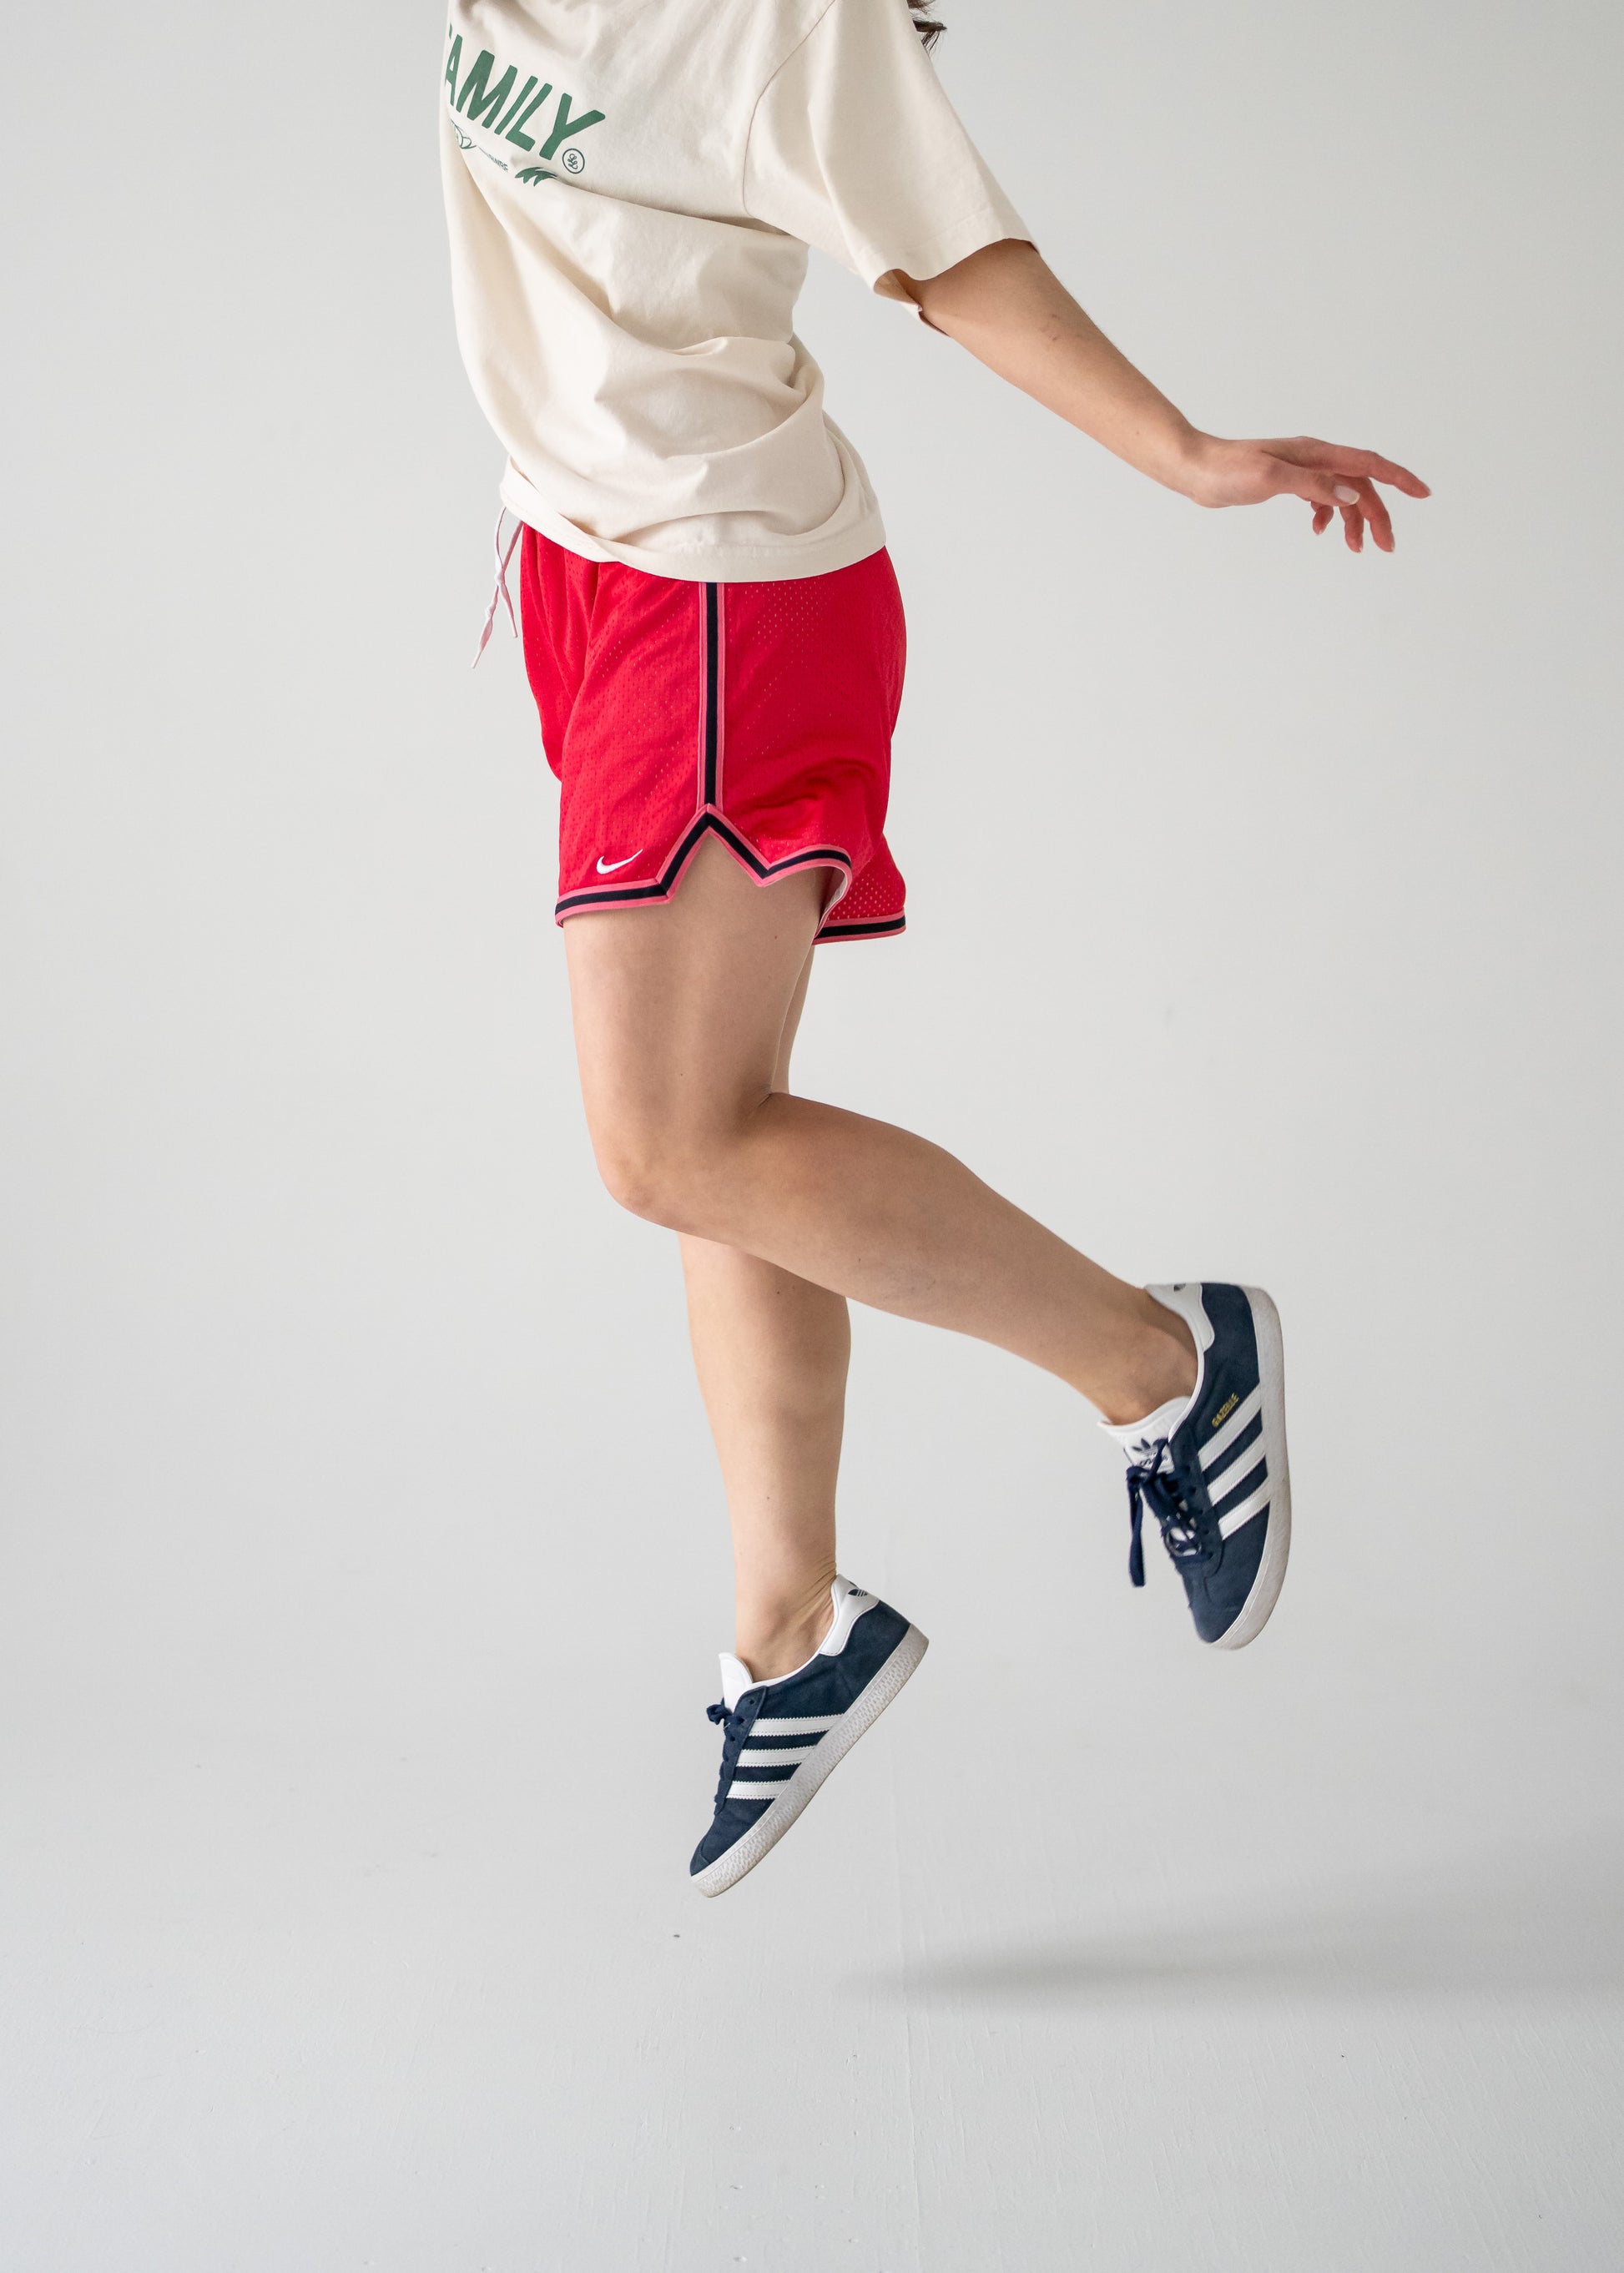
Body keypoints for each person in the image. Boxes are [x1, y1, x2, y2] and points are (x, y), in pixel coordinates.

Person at [439, 0, 1428, 1897]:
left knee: (671, 1142)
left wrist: (1186, 452)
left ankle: (1163, 1365)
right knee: (720, 1134)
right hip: (581, 559)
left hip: (721, 587)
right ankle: (793, 1622)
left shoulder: (788, 22)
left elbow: (951, 257)